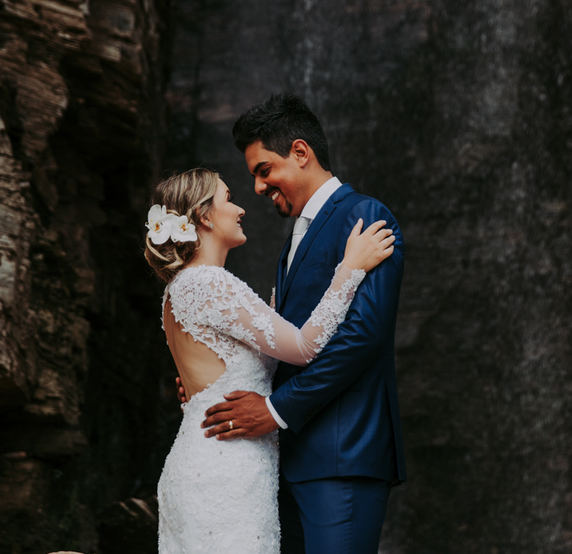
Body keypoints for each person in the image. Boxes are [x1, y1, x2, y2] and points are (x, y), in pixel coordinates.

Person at [146, 166, 395, 554]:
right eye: (229, 198)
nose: (242, 207)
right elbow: (302, 347)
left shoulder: (177, 289)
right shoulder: (210, 282)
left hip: (200, 460)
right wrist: (350, 270)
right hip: (228, 467)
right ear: (204, 216)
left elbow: (212, 375)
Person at [201, 94, 407, 554]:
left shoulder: (365, 216)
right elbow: (283, 343)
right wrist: (211, 383)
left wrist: (274, 411)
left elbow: (362, 337)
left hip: (341, 455)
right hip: (287, 461)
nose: (257, 188)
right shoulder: (295, 237)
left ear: (300, 152)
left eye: (263, 170)